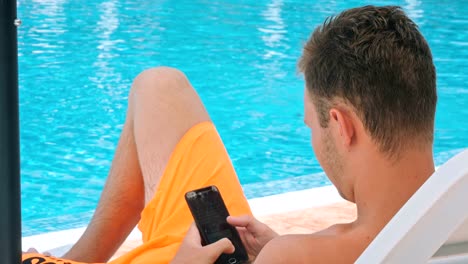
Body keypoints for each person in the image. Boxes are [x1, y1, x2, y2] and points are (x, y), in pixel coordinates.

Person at [22, 5, 437, 264]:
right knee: (160, 89)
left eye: (313, 125)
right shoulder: (456, 217)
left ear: (342, 126)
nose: (314, 140)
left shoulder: (298, 257)